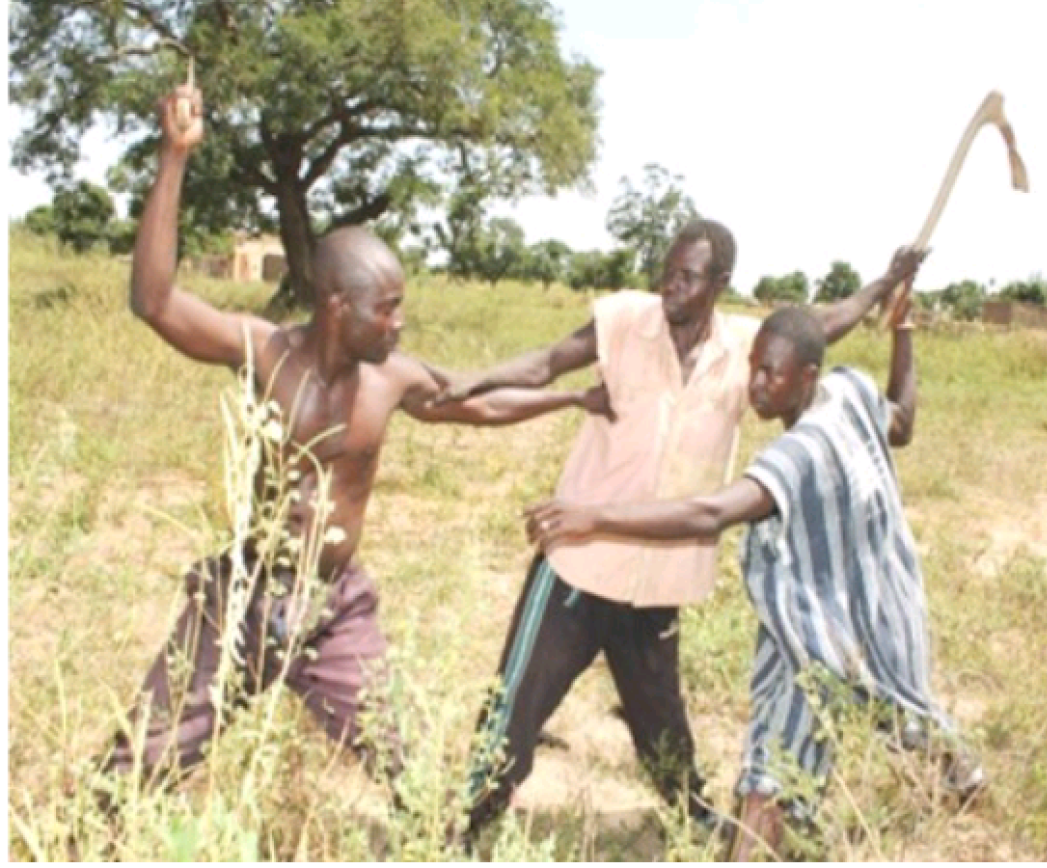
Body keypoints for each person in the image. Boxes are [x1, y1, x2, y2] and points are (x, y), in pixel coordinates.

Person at [95, 83, 610, 807]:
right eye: (388, 308)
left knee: (405, 768)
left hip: (335, 608)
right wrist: (174, 157)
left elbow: (479, 403)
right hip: (242, 593)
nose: (400, 324)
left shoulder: (391, 377)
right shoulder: (264, 351)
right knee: (139, 761)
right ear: (338, 306)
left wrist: (574, 397)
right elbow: (154, 301)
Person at [438, 217, 927, 839]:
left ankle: (692, 817)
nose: (670, 286)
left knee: (661, 721)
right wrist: (470, 379)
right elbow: (545, 364)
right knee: (516, 705)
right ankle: (463, 825)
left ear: (719, 283)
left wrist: (888, 280)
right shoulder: (623, 319)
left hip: (658, 580)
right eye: (667, 272)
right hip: (578, 566)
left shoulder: (744, 353)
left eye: (687, 277)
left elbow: (824, 323)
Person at [525, 290, 984, 859]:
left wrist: (593, 515)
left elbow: (708, 512)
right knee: (814, 743)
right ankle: (949, 780)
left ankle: (946, 783)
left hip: (831, 627)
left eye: (772, 373)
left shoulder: (797, 453)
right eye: (754, 366)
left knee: (879, 716)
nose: (757, 384)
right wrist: (904, 330)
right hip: (884, 609)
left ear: (806, 375)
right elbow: (904, 420)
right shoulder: (849, 391)